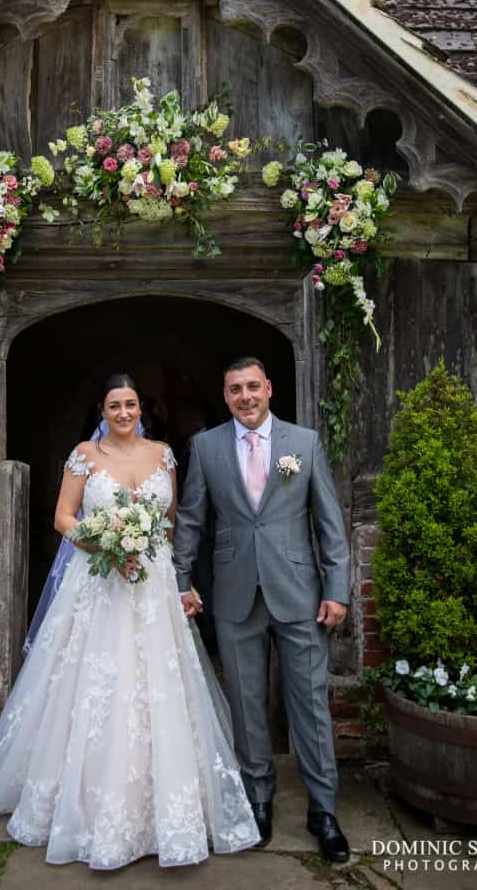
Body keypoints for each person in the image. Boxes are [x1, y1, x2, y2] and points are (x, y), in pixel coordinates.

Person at [0, 373, 260, 869]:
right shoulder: (85, 455)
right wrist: (108, 545)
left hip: (154, 583)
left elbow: (172, 519)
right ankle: (86, 806)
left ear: (143, 408)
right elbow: (63, 518)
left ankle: (165, 809)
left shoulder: (164, 454)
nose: (123, 412)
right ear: (102, 410)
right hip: (101, 584)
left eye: (131, 404)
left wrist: (180, 578)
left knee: (159, 687)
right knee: (97, 686)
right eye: (115, 405)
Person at [173, 357, 351, 862]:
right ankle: (258, 800)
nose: (245, 396)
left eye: (253, 386)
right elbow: (190, 519)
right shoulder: (205, 447)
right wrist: (179, 579)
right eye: (235, 389)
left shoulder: (304, 443)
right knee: (246, 705)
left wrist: (336, 589)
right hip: (234, 593)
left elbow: (329, 523)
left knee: (310, 705)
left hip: (298, 591)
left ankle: (323, 811)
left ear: (269, 388)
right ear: (225, 396)